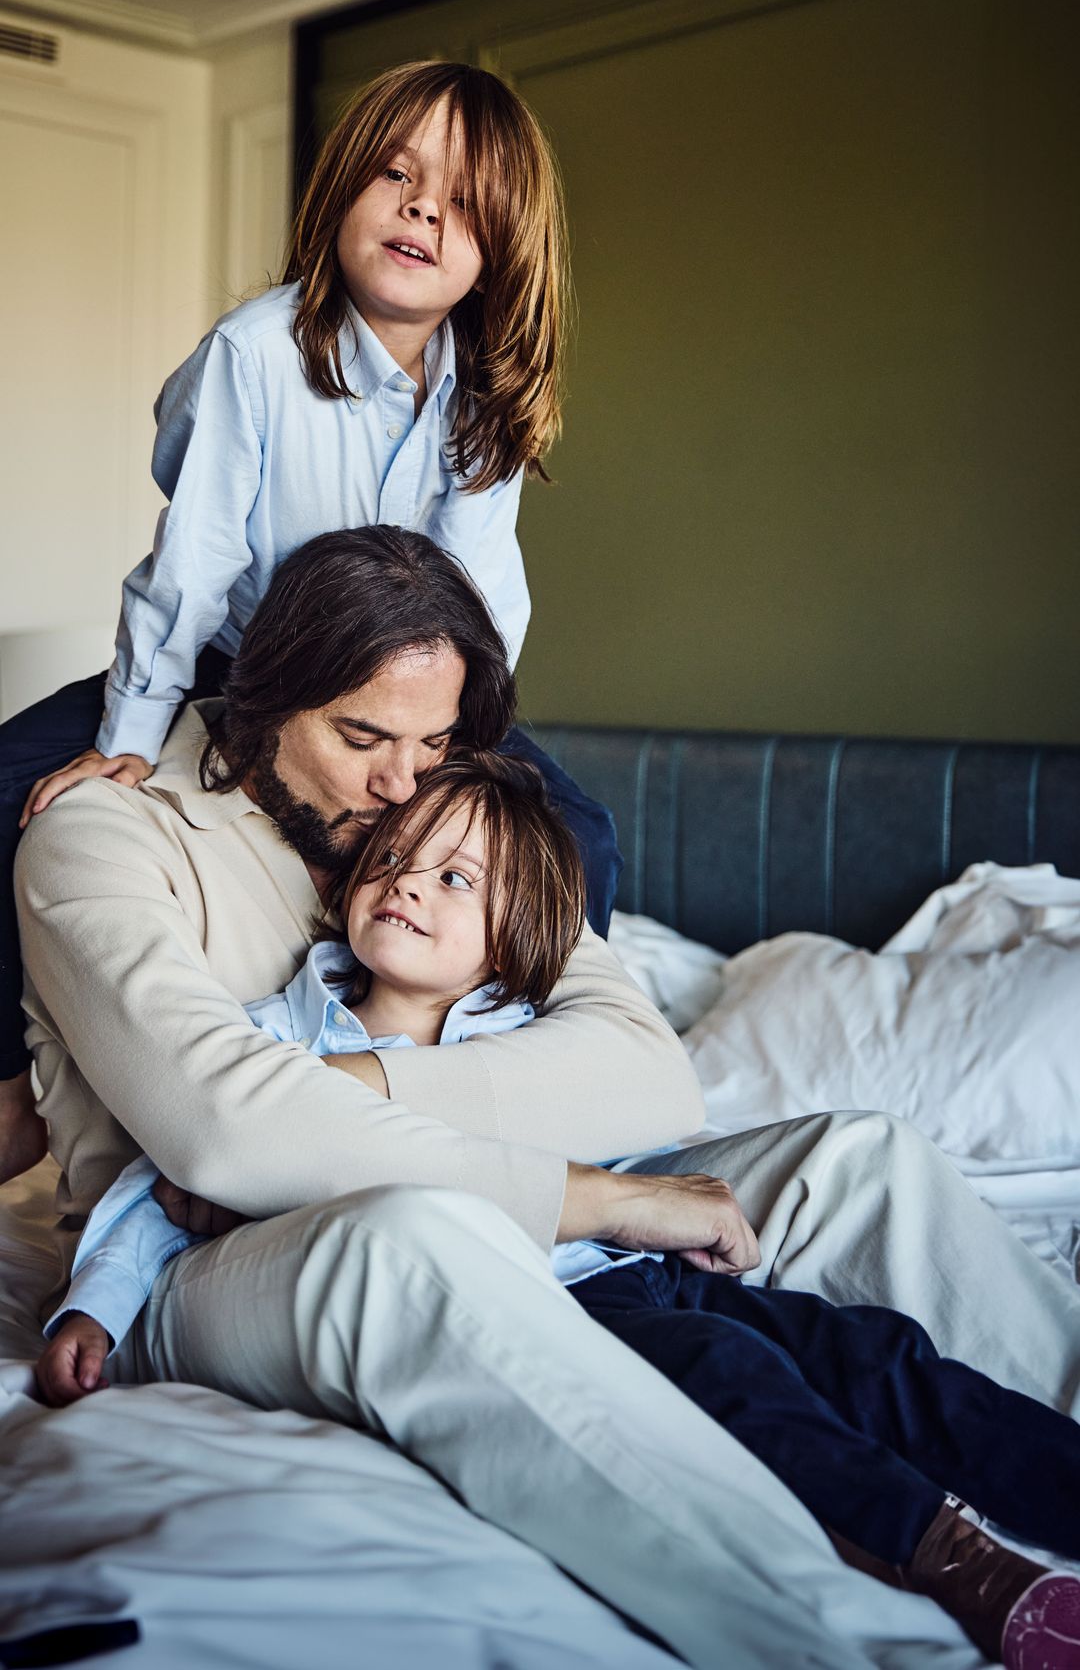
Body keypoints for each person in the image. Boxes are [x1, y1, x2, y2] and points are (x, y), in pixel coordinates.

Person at [17, 528, 1080, 1668]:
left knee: (855, 1154)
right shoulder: (100, 835)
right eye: (361, 735)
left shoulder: (444, 819)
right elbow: (222, 1136)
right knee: (412, 1236)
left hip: (414, 1190)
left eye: (433, 741)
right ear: (261, 699)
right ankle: (872, 1644)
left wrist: (341, 1092)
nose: (400, 784)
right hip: (213, 1264)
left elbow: (640, 1070)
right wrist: (595, 1198)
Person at [0, 56, 618, 1186]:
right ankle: (8, 1086)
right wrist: (133, 736)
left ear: (496, 256)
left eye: (464, 201)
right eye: (397, 175)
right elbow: (192, 565)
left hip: (417, 692)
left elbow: (477, 596)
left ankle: (488, 1041)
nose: (425, 208)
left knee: (584, 836)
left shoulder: (480, 398)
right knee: (10, 777)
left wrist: (459, 756)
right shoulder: (260, 352)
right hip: (243, 663)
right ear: (341, 192)